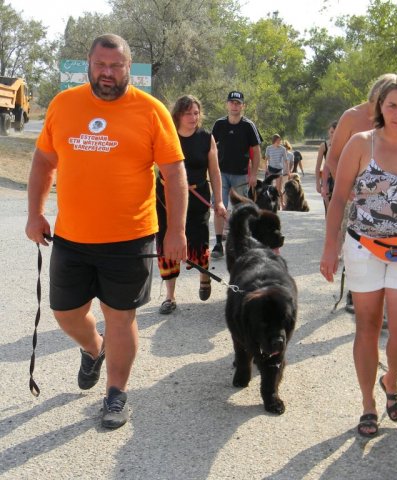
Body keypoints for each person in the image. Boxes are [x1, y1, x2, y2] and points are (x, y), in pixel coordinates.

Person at [25, 34, 188, 429]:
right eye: (101, 65)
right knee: (65, 314)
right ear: (89, 64)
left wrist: (176, 232)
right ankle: (93, 348)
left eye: (116, 66)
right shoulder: (65, 105)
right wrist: (35, 214)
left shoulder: (151, 111)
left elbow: (173, 172)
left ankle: (116, 394)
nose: (108, 73)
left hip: (129, 238)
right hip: (72, 236)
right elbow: (45, 161)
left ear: (129, 67)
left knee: (120, 317)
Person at [319, 74, 397, 438]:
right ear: (379, 107)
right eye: (392, 105)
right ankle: (368, 405)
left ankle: (391, 380)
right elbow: (340, 197)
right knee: (368, 328)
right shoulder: (362, 144)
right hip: (363, 248)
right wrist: (331, 247)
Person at [323, 74, 395, 313]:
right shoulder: (352, 117)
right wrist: (349, 186)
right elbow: (333, 157)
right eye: (382, 102)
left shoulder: (396, 118)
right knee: (354, 241)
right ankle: (355, 290)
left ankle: (384, 298)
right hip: (353, 194)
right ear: (373, 97)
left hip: (387, 197)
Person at [156, 95, 226, 314]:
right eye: (188, 113)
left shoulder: (206, 138)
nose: (193, 117)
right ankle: (170, 297)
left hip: (198, 197)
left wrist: (219, 200)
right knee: (167, 243)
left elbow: (214, 171)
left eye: (196, 113)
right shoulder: (167, 135)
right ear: (178, 114)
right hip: (167, 198)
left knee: (199, 241)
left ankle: (204, 277)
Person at [210, 91, 263, 258]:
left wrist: (253, 174)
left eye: (238, 103)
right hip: (221, 174)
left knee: (240, 210)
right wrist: (208, 171)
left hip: (241, 175)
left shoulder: (248, 126)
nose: (235, 106)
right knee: (219, 207)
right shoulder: (219, 125)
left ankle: (241, 243)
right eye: (232, 102)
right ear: (227, 105)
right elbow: (211, 148)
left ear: (243, 106)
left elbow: (256, 150)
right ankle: (219, 243)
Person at [315, 120, 337, 214]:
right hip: (327, 179)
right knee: (328, 210)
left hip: (339, 177)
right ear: (328, 132)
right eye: (331, 132)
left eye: (336, 132)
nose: (333, 134)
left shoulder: (346, 144)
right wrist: (317, 183)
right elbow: (318, 167)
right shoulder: (323, 146)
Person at [264, 134, 289, 208]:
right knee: (269, 188)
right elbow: (266, 159)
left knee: (278, 188)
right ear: (274, 140)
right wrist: (266, 168)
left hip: (279, 170)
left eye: (280, 140)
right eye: (278, 140)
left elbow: (286, 160)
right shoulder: (269, 148)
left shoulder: (283, 149)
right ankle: (269, 203)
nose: (279, 142)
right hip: (271, 169)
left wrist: (288, 171)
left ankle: (281, 204)